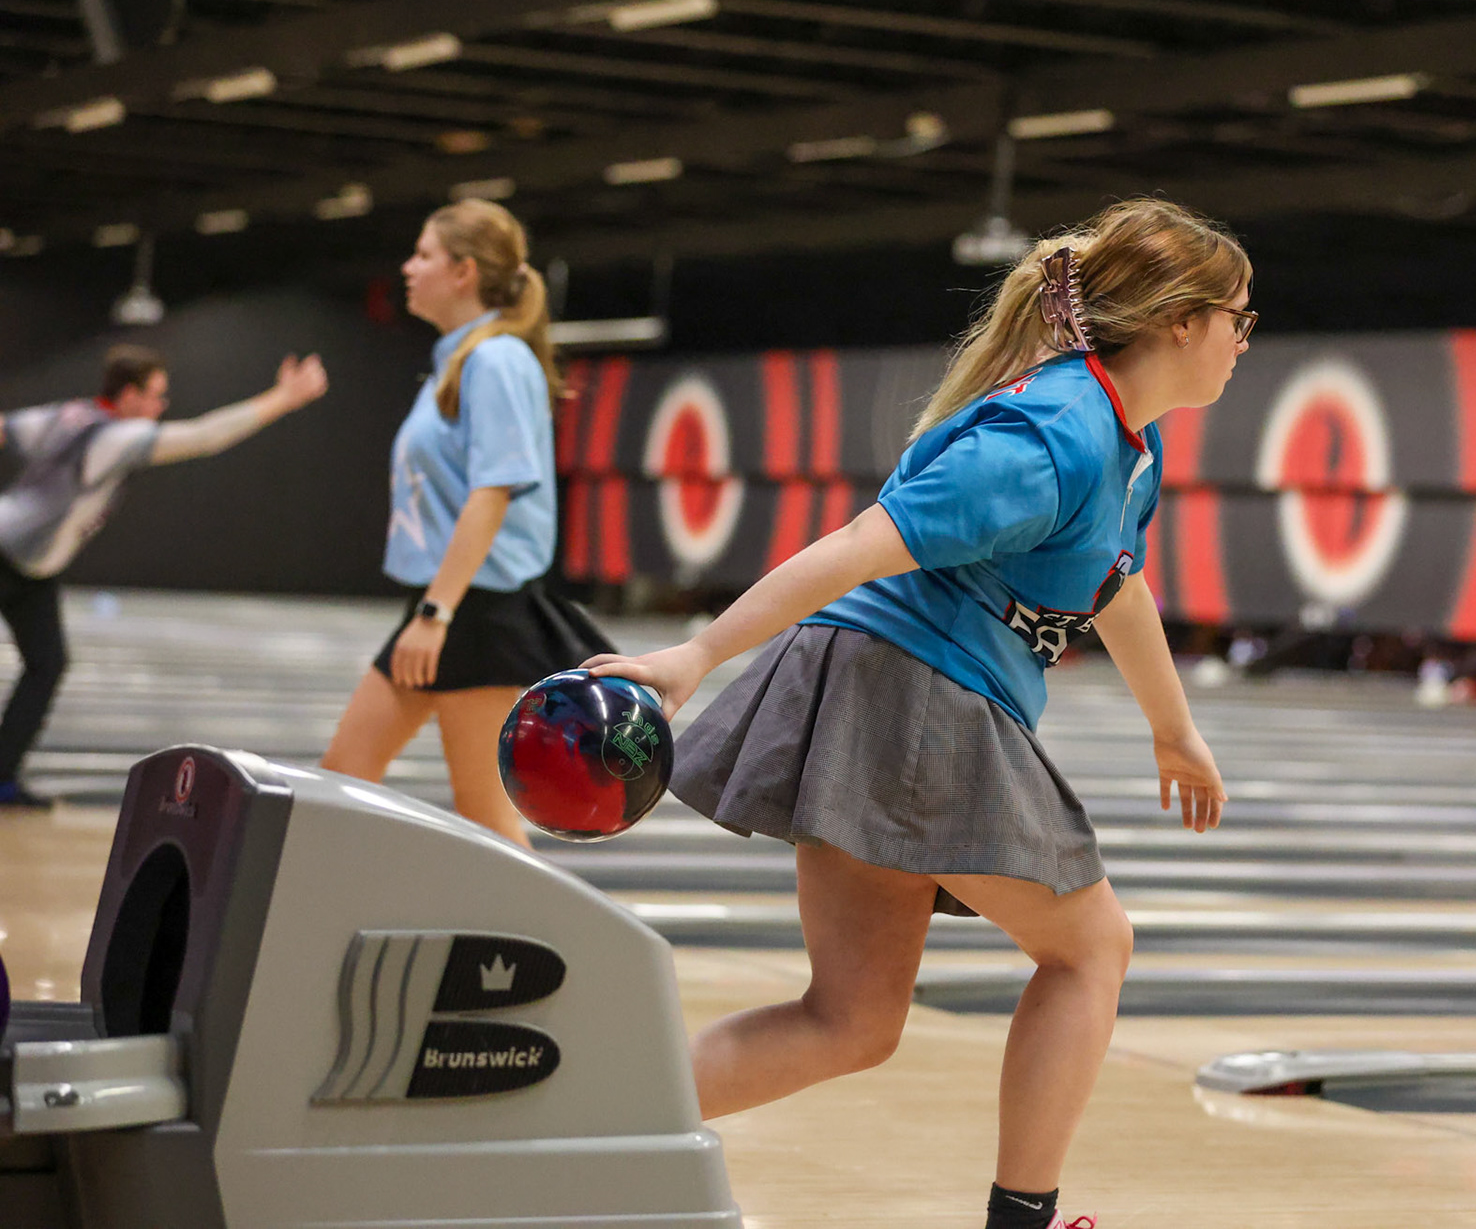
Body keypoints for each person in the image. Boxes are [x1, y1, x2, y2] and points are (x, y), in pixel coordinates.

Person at [587, 197, 1253, 1229]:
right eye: (1237, 317)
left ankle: (576, 1131)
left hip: (891, 692)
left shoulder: (1127, 446)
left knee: (850, 1019)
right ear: (1179, 319)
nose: (1243, 340)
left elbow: (1116, 585)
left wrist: (1175, 727)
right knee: (1091, 947)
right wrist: (696, 655)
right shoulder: (1052, 433)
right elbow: (863, 542)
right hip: (910, 688)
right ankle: (1022, 1220)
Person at [321, 199, 610, 847]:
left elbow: (493, 493)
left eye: (423, 254)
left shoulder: (496, 360)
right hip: (450, 604)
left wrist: (437, 614)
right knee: (343, 777)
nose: (408, 267)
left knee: (488, 817)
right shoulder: (461, 360)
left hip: (475, 613)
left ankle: (542, 947)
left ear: (464, 272)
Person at [0, 343, 328, 809]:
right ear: (129, 395)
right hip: (8, 556)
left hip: (33, 570)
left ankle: (2, 776)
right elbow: (205, 436)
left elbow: (5, 428)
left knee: (47, 664)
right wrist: (283, 399)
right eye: (156, 396)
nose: (161, 406)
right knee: (46, 665)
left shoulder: (70, 414)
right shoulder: (115, 436)